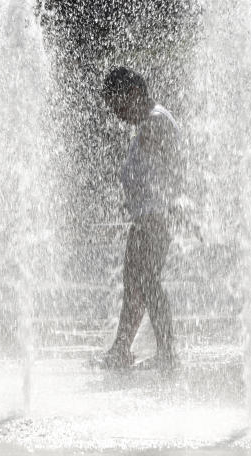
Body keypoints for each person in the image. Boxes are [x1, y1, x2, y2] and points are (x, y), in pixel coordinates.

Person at [98, 67, 182, 371]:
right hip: (147, 215)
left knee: (148, 282)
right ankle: (121, 348)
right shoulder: (151, 122)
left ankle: (168, 352)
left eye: (118, 104)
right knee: (134, 283)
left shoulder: (156, 123)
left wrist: (161, 209)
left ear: (132, 93)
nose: (118, 114)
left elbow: (172, 171)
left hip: (154, 217)